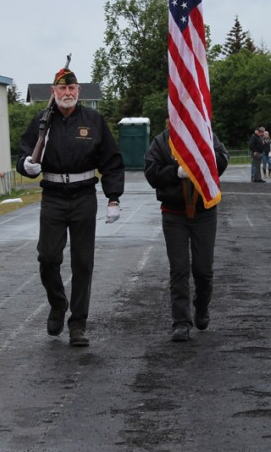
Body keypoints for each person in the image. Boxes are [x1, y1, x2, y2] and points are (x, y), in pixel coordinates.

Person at [16, 65, 125, 347]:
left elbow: (111, 161)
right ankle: (57, 303)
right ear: (53, 92)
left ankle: (78, 323)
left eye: (72, 88)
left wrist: (113, 197)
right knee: (48, 258)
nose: (67, 93)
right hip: (52, 195)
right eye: (62, 88)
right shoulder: (42, 120)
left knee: (82, 262)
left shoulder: (93, 120)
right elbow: (25, 153)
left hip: (84, 196)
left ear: (78, 91)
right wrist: (26, 165)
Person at [144, 126, 229, 341]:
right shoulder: (161, 141)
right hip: (174, 213)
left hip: (204, 211)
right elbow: (151, 172)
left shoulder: (207, 135)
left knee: (203, 268)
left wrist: (201, 161)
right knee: (179, 268)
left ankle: (201, 307)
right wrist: (175, 172)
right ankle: (181, 322)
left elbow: (222, 161)